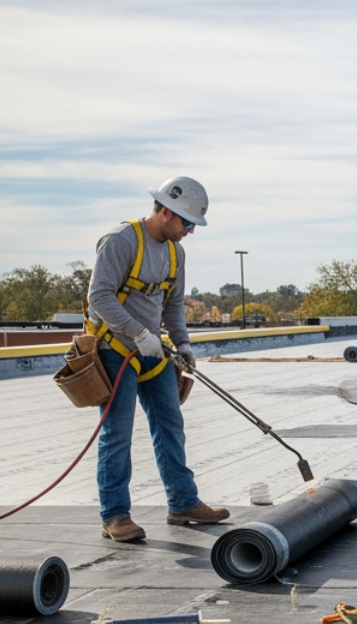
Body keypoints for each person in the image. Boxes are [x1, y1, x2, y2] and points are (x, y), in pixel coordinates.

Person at [85, 176, 228, 543]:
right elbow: (99, 297)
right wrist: (137, 334)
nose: (190, 231)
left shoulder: (176, 253)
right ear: (165, 211)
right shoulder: (121, 242)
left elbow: (174, 305)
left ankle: (183, 503)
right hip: (115, 350)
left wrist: (183, 344)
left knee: (171, 425)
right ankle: (114, 516)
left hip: (153, 352)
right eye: (187, 223)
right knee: (117, 433)